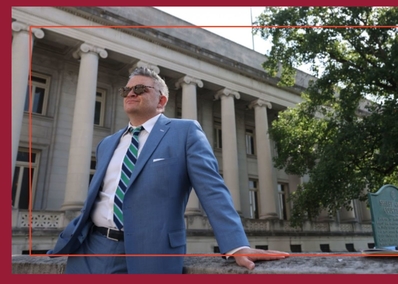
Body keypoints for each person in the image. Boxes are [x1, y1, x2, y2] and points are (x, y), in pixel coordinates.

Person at [47, 67, 289, 274]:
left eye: (141, 89)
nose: (131, 93)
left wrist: (236, 244)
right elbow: (101, 197)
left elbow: (213, 190)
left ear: (162, 100)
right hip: (91, 250)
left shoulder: (184, 133)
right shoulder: (107, 143)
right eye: (127, 90)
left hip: (150, 254)